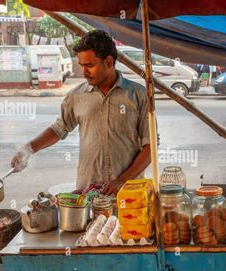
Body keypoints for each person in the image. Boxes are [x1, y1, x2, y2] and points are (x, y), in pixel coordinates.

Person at [11, 30, 153, 195]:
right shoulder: (76, 96)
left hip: (129, 193)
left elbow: (150, 147)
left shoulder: (138, 94)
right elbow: (58, 130)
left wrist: (122, 180)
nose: (84, 72)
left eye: (90, 66)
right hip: (88, 191)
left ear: (108, 62)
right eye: (82, 66)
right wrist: (27, 150)